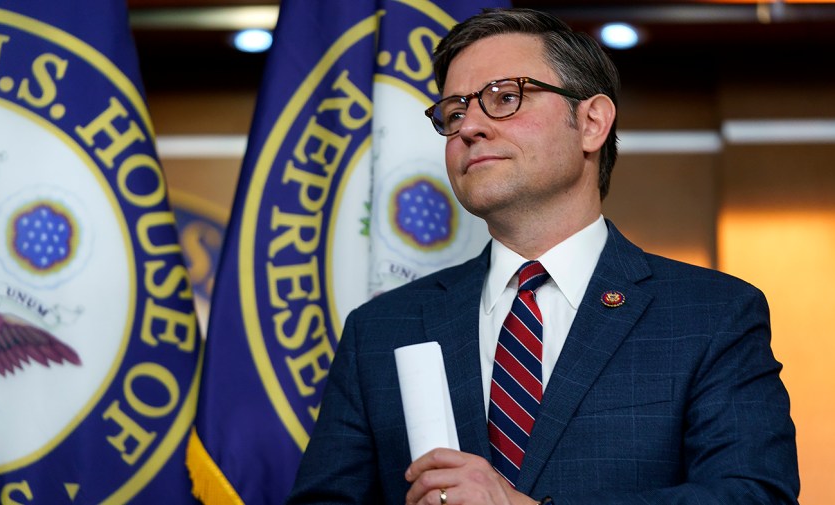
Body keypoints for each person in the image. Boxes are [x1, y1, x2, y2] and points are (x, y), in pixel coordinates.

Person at [287, 7, 799, 505]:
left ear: (592, 122)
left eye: (505, 98)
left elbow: (755, 495)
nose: (469, 128)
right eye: (455, 112)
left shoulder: (711, 314)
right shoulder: (381, 329)